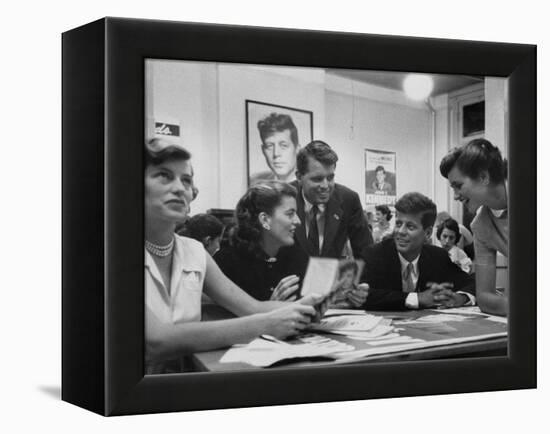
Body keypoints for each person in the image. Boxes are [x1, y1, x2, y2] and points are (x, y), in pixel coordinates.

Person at [144, 139, 321, 374]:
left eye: (186, 180)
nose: (180, 188)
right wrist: (265, 325)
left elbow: (252, 307)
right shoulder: (111, 251)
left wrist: (304, 308)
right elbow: (157, 340)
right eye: (164, 176)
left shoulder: (195, 252)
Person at [361, 192, 475, 311]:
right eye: (398, 224)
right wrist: (417, 298)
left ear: (427, 233)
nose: (400, 231)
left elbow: (472, 283)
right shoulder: (375, 254)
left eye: (410, 227)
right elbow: (363, 296)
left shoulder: (438, 257)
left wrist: (460, 298)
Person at [440, 139, 508, 316]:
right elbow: (485, 298)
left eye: (458, 186)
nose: (455, 196)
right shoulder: (480, 226)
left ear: (483, 177)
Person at [214, 181, 309, 302]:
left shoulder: (297, 256)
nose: (298, 221)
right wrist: (270, 307)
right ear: (265, 219)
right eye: (290, 214)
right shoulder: (226, 263)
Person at [291, 140, 373, 259]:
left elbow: (366, 252)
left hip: (332, 276)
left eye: (330, 178)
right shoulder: (283, 198)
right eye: (317, 179)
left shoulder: (348, 200)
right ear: (299, 177)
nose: (325, 186)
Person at [250, 113, 300, 185]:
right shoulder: (254, 182)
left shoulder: (312, 187)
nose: (276, 153)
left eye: (284, 145)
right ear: (263, 151)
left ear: (297, 149)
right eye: (269, 146)